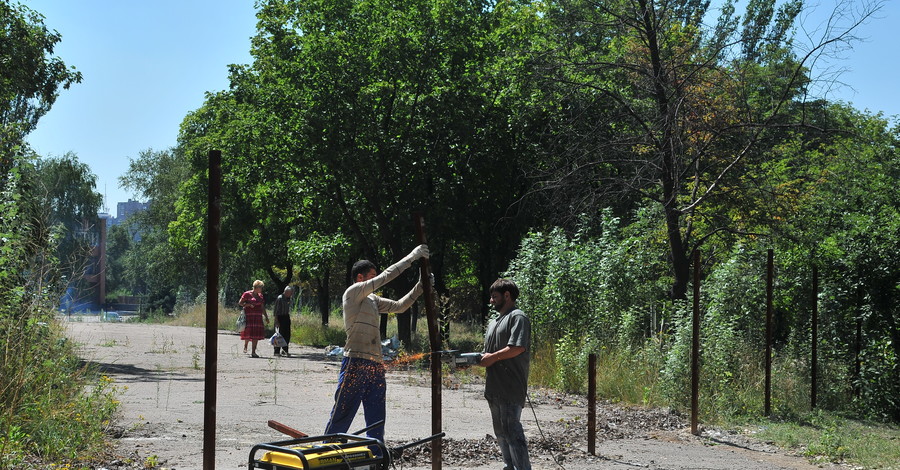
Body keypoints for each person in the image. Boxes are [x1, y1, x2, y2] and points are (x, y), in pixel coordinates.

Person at [324, 244, 429, 449]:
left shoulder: (372, 300)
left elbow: (400, 306)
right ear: (361, 278)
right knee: (344, 409)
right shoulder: (353, 293)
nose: (376, 279)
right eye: (371, 276)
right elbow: (387, 276)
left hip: (375, 364)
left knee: (376, 412)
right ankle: (327, 449)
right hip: (355, 360)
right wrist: (411, 257)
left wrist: (420, 287)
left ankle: (376, 453)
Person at [477, 278, 532, 470]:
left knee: (512, 431)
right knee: (500, 432)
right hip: (494, 388)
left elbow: (517, 347)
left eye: (494, 297)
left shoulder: (518, 317)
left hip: (510, 387)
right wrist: (472, 361)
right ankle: (510, 466)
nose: (491, 301)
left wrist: (492, 358)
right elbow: (488, 355)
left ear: (507, 296)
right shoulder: (494, 322)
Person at [238, 280, 269, 358]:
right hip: (249, 317)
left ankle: (253, 352)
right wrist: (248, 304)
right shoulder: (247, 294)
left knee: (256, 335)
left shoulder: (260, 296)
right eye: (260, 287)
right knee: (248, 332)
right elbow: (240, 303)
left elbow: (262, 307)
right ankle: (246, 345)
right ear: (256, 287)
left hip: (258, 317)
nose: (261, 289)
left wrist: (266, 317)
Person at [273, 285, 294, 357]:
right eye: (290, 293)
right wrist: (276, 321)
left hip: (286, 317)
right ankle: (276, 351)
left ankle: (285, 350)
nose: (291, 294)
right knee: (278, 335)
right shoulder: (280, 298)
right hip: (280, 317)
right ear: (286, 292)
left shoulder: (288, 299)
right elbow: (276, 311)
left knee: (287, 335)